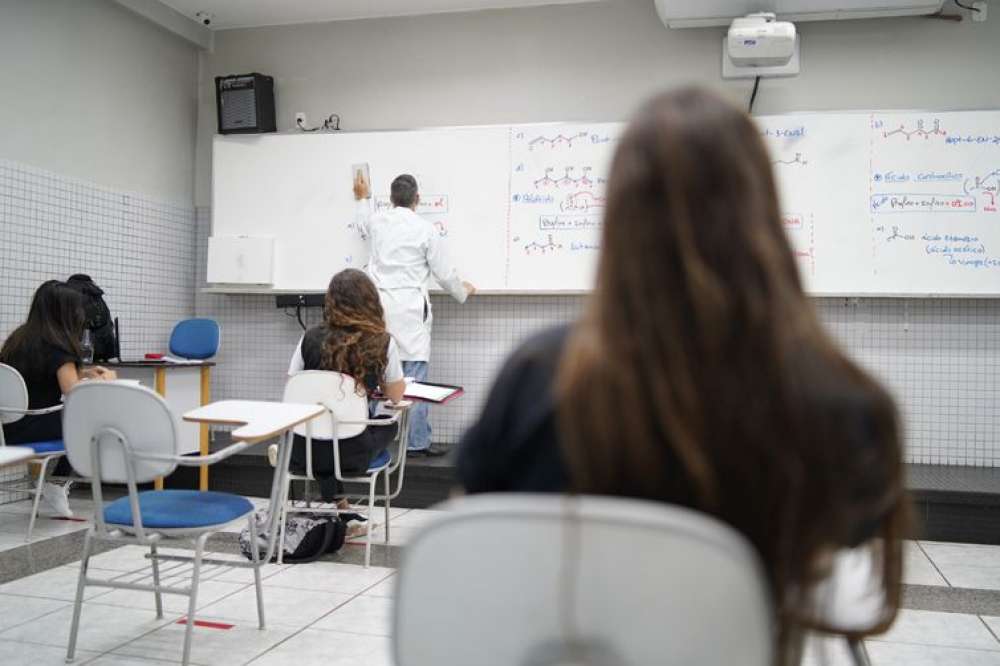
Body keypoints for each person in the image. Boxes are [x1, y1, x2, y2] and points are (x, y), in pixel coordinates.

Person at [456, 87, 910, 663]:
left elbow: (473, 546)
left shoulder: (539, 379)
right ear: (762, 213)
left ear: (620, 218)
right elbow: (838, 580)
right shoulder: (849, 407)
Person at [353, 172, 475, 456]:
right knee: (415, 382)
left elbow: (361, 223)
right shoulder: (425, 230)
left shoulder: (377, 221)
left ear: (391, 198)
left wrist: (362, 198)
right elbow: (444, 274)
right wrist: (463, 292)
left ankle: (368, 439)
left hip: (380, 311)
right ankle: (417, 443)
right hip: (410, 311)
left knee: (376, 375)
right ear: (417, 199)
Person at [283, 269, 406, 505]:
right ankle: (342, 511)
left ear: (330, 301)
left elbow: (292, 386)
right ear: (371, 302)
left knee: (326, 428)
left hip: (303, 451)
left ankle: (340, 507)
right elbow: (396, 394)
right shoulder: (382, 341)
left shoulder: (308, 338)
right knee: (391, 419)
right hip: (352, 455)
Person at [0, 280, 117, 517]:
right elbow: (74, 393)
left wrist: (82, 372)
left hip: (9, 429)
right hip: (39, 430)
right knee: (95, 424)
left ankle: (54, 484)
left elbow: (37, 375)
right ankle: (57, 483)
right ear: (65, 313)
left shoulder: (17, 340)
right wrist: (105, 380)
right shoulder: (58, 347)